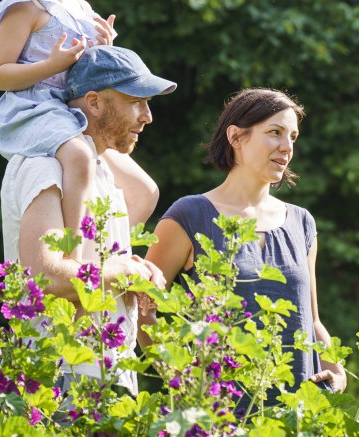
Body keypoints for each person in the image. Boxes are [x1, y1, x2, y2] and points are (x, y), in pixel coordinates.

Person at [145, 88, 347, 402]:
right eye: (275, 133)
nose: (286, 147)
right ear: (236, 137)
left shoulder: (302, 222)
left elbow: (313, 321)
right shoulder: (190, 215)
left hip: (296, 416)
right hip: (218, 417)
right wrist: (179, 378)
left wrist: (336, 369)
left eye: (293, 136)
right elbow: (143, 312)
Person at [0, 45, 177, 395]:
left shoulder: (100, 172)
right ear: (94, 103)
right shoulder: (44, 166)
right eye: (136, 101)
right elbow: (47, 277)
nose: (148, 117)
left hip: (107, 371)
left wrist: (134, 269)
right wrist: (127, 272)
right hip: (61, 378)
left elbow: (95, 264)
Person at [0, 0, 162, 259]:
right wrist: (50, 66)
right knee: (80, 157)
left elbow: (86, 72)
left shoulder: (80, 7)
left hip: (72, 109)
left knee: (143, 190)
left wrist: (104, 52)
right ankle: (74, 257)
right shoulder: (26, 7)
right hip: (35, 108)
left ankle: (109, 255)